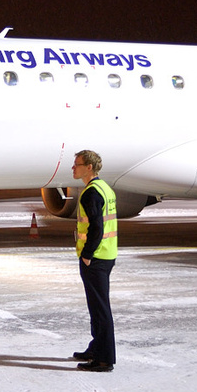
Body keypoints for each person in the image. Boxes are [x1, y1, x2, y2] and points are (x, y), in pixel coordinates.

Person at [71, 150, 118, 373]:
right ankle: (95, 348)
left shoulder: (91, 193)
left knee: (100, 309)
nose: (73, 168)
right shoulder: (104, 188)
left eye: (77, 164)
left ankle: (104, 359)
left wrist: (87, 255)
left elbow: (96, 228)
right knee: (96, 306)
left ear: (89, 167)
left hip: (96, 258)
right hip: (106, 255)